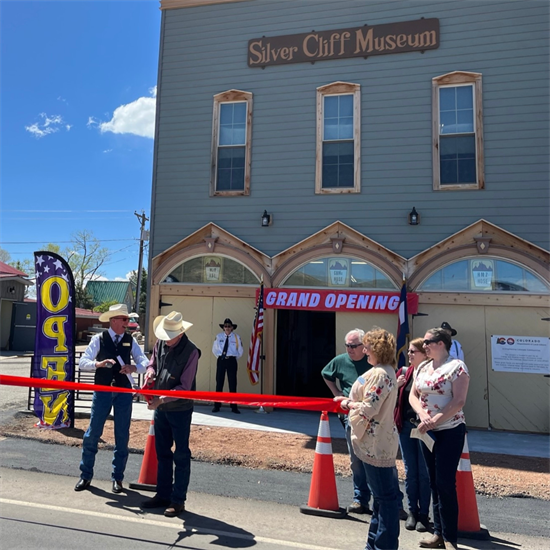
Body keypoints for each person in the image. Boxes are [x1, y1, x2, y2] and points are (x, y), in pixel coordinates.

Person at [335, 328, 400, 550]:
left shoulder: (380, 374)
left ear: (377, 349)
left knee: (386, 499)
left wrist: (348, 404)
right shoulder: (384, 371)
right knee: (382, 499)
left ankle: (383, 545)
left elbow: (370, 408)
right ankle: (375, 544)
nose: (364, 350)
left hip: (376, 445)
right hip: (378, 443)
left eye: (367, 346)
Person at [75, 304, 150, 493]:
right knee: (93, 433)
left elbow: (145, 362)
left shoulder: (130, 340)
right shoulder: (98, 339)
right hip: (102, 391)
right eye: (124, 319)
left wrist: (134, 368)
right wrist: (98, 364)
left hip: (123, 392)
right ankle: (85, 475)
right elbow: (83, 362)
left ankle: (118, 478)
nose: (128, 323)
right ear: (114, 320)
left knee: (122, 435)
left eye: (128, 319)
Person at [409, 328, 470, 550]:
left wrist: (434, 420)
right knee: (434, 482)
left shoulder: (457, 367)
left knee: (445, 483)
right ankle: (438, 534)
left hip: (449, 429)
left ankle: (451, 538)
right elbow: (413, 394)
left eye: (428, 342)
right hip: (427, 430)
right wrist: (423, 416)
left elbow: (459, 401)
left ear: (441, 343)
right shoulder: (423, 367)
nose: (424, 345)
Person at [141, 311, 200, 518]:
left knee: (181, 454)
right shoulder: (161, 343)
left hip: (180, 409)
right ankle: (163, 494)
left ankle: (178, 500)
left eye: (169, 335)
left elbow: (185, 387)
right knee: (162, 453)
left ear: (180, 333)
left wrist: (161, 399)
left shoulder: (192, 352)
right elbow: (153, 363)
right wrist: (149, 372)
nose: (165, 338)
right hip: (162, 408)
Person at [322, 328, 373, 515]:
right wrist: (337, 394)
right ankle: (360, 499)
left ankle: (386, 500)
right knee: (356, 460)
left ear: (364, 346)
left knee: (376, 459)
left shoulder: (371, 361)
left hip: (372, 417)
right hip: (350, 416)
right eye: (348, 345)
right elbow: (326, 374)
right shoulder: (340, 361)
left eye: (354, 346)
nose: (350, 349)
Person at [394, 338, 431, 533]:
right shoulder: (403, 373)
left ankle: (424, 514)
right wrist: (396, 386)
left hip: (425, 428)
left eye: (413, 352)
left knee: (424, 472)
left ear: (425, 355)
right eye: (408, 352)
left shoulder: (431, 374)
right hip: (406, 427)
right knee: (410, 472)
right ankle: (412, 512)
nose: (409, 355)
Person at [211, 318, 243, 413]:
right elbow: (215, 350)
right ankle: (217, 406)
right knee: (219, 383)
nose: (227, 328)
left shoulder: (237, 337)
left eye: (229, 326)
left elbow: (240, 351)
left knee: (232, 384)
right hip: (221, 360)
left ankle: (234, 407)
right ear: (223, 328)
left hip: (232, 361)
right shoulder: (219, 336)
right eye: (225, 326)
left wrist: (232, 358)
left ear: (232, 328)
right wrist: (222, 357)